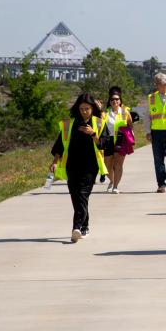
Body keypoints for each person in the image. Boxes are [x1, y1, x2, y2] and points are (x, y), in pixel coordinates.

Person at [49, 93, 108, 242]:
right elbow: (59, 144)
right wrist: (55, 162)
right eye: (81, 109)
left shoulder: (99, 123)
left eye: (87, 108)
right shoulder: (69, 124)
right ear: (77, 109)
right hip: (72, 165)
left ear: (92, 108)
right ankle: (85, 226)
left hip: (90, 166)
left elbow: (104, 144)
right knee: (76, 197)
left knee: (82, 195)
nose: (84, 111)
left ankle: (76, 228)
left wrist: (93, 133)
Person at [102, 86, 134, 194]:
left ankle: (115, 186)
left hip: (121, 140)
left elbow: (130, 125)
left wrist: (129, 136)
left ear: (120, 101)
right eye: (112, 99)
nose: (115, 101)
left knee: (118, 164)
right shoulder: (105, 113)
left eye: (117, 99)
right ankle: (112, 180)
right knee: (107, 166)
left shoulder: (125, 112)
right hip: (108, 140)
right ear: (109, 101)